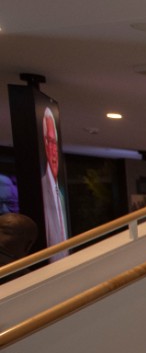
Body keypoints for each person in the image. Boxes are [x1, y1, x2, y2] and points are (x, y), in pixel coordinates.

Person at [40, 108, 69, 258]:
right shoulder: (42, 189)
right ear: (44, 144)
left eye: (54, 142)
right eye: (49, 142)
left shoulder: (60, 195)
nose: (53, 149)